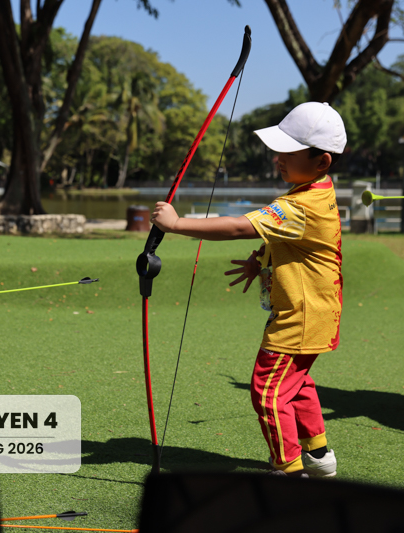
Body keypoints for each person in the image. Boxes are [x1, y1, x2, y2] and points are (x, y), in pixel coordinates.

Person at [151, 102, 345, 477]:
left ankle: (289, 470)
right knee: (296, 383)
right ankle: (318, 455)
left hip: (301, 318)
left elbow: (239, 226)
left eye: (289, 153)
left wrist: (176, 224)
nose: (278, 159)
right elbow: (293, 240)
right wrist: (260, 259)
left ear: (322, 161)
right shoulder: (317, 192)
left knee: (267, 390)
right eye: (278, 151)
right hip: (316, 313)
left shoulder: (300, 205)